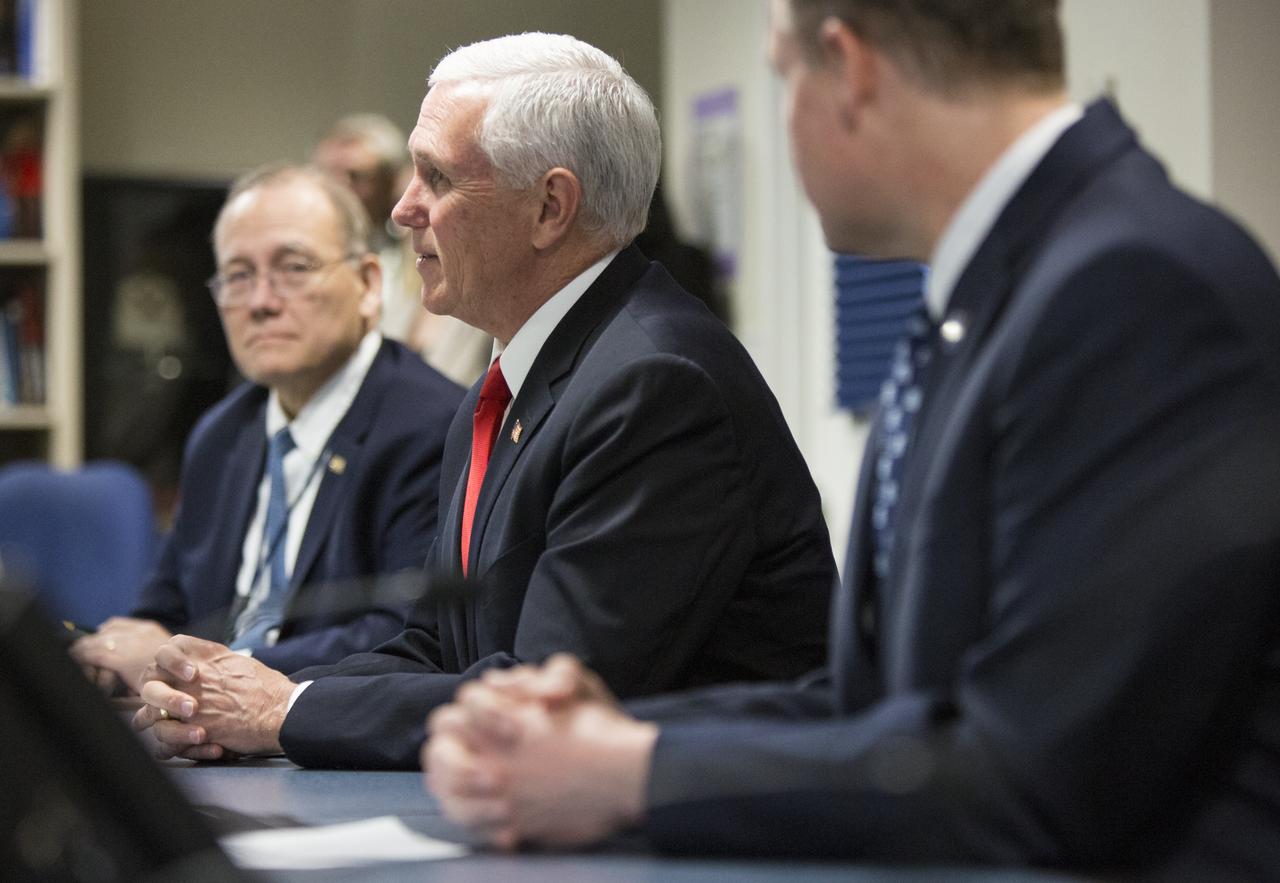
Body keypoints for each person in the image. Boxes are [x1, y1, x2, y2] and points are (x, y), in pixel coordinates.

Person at [422, 1, 1280, 876]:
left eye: (784, 77)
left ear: (851, 68)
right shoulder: (1004, 288)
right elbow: (889, 700)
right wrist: (602, 729)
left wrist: (633, 771)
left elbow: (1038, 769)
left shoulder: (1128, 288)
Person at [130, 33, 836, 771]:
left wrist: (282, 712)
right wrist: (250, 693)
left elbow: (541, 698)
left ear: (549, 208)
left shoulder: (656, 385)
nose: (404, 210)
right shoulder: (511, 383)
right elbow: (435, 645)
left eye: (435, 178)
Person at [71, 164, 464, 691]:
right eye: (237, 276)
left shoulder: (433, 427)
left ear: (369, 285)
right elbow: (164, 612)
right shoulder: (221, 434)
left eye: (294, 268)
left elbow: (405, 635)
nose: (259, 302)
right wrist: (110, 658)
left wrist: (201, 666)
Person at [313, 113, 491, 385]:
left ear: (392, 183)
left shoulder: (419, 252)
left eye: (355, 176)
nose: (338, 188)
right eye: (327, 175)